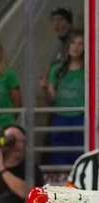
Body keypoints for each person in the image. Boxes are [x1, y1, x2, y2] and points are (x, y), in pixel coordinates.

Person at [43, 31, 85, 165]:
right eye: (73, 43)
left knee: (80, 158)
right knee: (59, 157)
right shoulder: (57, 69)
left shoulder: (90, 69)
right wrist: (45, 88)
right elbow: (52, 99)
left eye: (81, 44)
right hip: (61, 117)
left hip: (81, 117)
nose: (76, 47)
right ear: (68, 45)